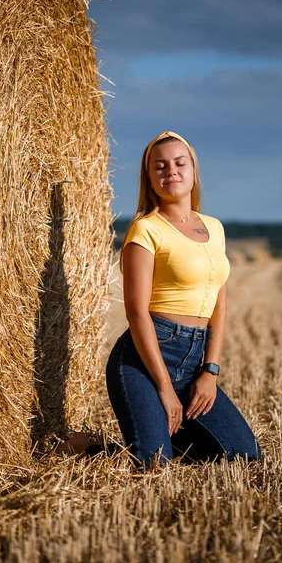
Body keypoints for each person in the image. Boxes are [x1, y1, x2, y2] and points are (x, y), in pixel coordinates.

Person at [104, 130, 261, 467]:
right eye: (159, 166)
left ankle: (161, 434)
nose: (170, 171)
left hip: (193, 362)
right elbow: (136, 313)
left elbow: (219, 304)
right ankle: (92, 448)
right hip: (144, 361)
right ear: (149, 178)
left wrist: (210, 372)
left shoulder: (214, 227)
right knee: (153, 463)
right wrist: (163, 386)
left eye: (179, 163)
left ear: (192, 172)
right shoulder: (145, 230)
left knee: (244, 456)